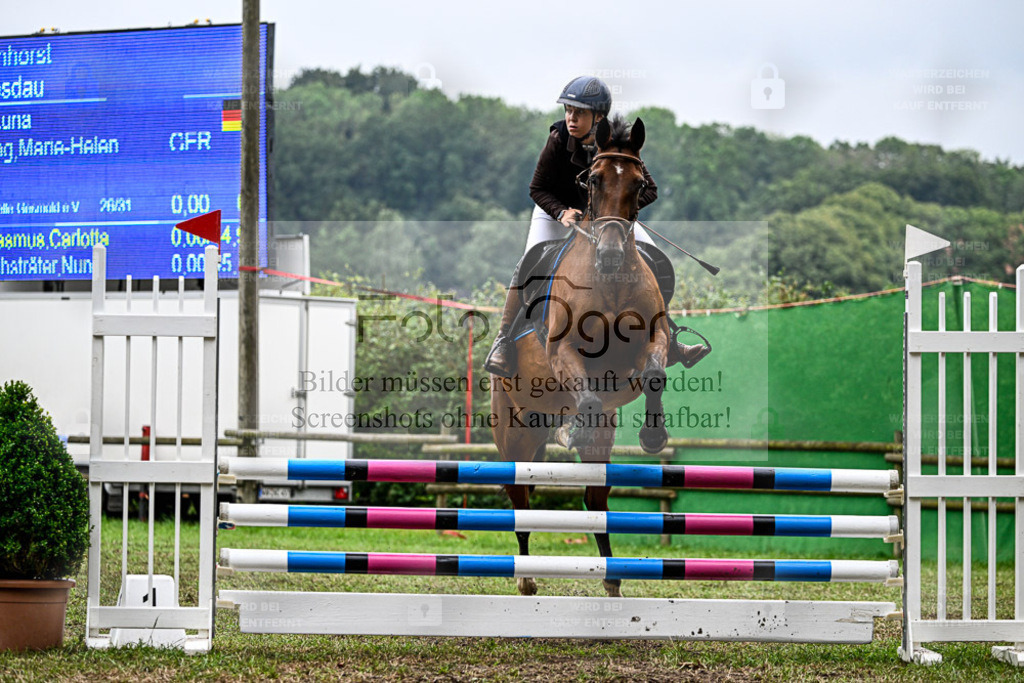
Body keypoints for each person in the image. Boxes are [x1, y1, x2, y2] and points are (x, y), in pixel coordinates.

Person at [484, 75, 709, 378]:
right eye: (568, 111)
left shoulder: (621, 148)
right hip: (555, 210)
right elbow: (536, 188)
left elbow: (650, 189)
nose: (571, 118)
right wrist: (561, 211)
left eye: (579, 113)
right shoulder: (558, 140)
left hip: (606, 220)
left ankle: (670, 339)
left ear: (598, 117)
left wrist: (613, 214)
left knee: (654, 258)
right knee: (530, 261)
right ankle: (504, 341)